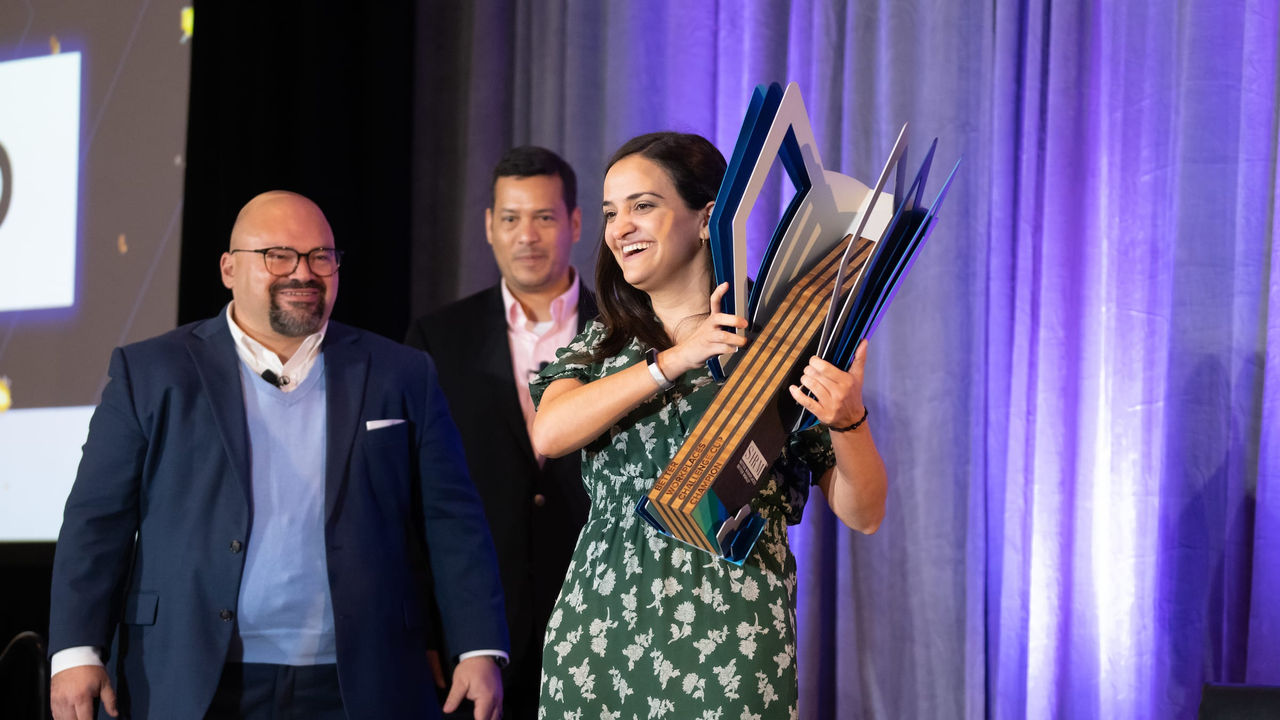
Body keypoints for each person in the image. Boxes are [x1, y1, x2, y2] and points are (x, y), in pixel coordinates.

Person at [47, 191, 508, 720]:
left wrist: (476, 647)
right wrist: (77, 650)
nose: (303, 272)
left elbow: (454, 521)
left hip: (360, 680)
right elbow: (96, 521)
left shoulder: (402, 373)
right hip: (190, 675)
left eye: (320, 256)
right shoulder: (149, 373)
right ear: (228, 269)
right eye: (278, 256)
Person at [529, 133, 888, 718]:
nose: (620, 228)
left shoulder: (782, 341)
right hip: (599, 639)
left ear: (707, 218)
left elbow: (864, 512)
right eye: (609, 213)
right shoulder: (601, 345)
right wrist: (672, 360)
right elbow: (550, 432)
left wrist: (851, 422)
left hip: (732, 644)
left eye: (643, 205)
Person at [404, 146, 593, 720]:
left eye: (544, 217)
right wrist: (429, 630)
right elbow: (413, 498)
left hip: (601, 617)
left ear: (576, 223)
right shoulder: (439, 338)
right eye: (510, 218)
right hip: (481, 636)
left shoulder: (629, 327)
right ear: (488, 226)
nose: (526, 236)